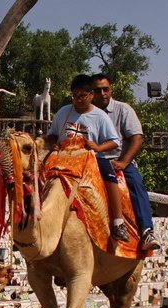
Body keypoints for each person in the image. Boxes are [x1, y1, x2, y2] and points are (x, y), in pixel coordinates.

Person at [46, 74, 129, 242]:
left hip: (90, 157)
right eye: (74, 95)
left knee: (110, 176)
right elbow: (52, 134)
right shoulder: (63, 112)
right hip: (63, 156)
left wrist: (98, 147)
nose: (78, 99)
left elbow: (114, 141)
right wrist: (53, 143)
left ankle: (118, 222)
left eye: (82, 95)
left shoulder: (100, 116)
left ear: (91, 95)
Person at [91, 73, 161, 250]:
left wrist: (123, 162)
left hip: (117, 161)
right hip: (90, 161)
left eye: (105, 89)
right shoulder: (85, 113)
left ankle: (146, 230)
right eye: (98, 90)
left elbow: (136, 138)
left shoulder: (123, 110)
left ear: (111, 89)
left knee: (135, 184)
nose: (102, 94)